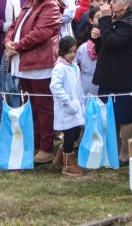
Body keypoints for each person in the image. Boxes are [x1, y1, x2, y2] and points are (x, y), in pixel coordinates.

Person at [4, 0, 63, 163]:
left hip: (40, 65)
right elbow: (14, 26)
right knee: (31, 106)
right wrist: (8, 42)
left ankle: (46, 147)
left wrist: (17, 47)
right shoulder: (30, 2)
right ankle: (36, 143)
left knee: (44, 108)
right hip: (24, 63)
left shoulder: (51, 6)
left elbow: (41, 33)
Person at [93, 0, 132, 163]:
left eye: (114, 0)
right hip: (107, 74)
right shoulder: (114, 20)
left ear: (127, 4)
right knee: (106, 114)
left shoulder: (131, 24)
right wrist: (96, 36)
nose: (110, 4)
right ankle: (110, 148)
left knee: (124, 116)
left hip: (122, 77)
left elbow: (113, 42)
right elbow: (104, 46)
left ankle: (125, 152)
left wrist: (104, 20)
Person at [49, 36, 85, 177]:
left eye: (74, 51)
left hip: (76, 106)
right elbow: (55, 87)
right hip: (66, 107)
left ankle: (60, 157)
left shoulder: (74, 66)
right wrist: (68, 102)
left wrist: (81, 102)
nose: (73, 54)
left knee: (76, 132)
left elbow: (78, 87)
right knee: (70, 134)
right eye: (69, 52)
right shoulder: (59, 67)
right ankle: (68, 164)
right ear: (62, 51)